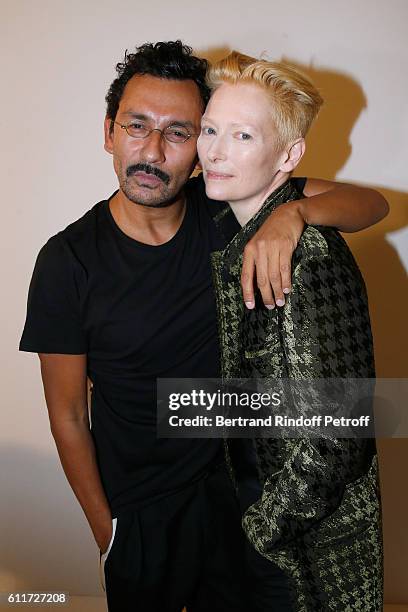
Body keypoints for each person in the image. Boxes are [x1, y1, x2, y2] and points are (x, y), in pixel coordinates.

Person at [19, 42, 387, 612]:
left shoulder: (224, 207)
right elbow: (67, 413)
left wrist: (295, 213)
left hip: (234, 498)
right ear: (109, 132)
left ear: (198, 146)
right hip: (140, 510)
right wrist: (109, 534)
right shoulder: (69, 261)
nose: (152, 150)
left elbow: (371, 204)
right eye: (137, 126)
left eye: (179, 132)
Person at [197, 51, 383, 611]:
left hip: (297, 547)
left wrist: (260, 533)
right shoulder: (232, 222)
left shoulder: (310, 256)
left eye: (242, 135)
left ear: (289, 154)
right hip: (252, 510)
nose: (215, 150)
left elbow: (338, 429)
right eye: (210, 129)